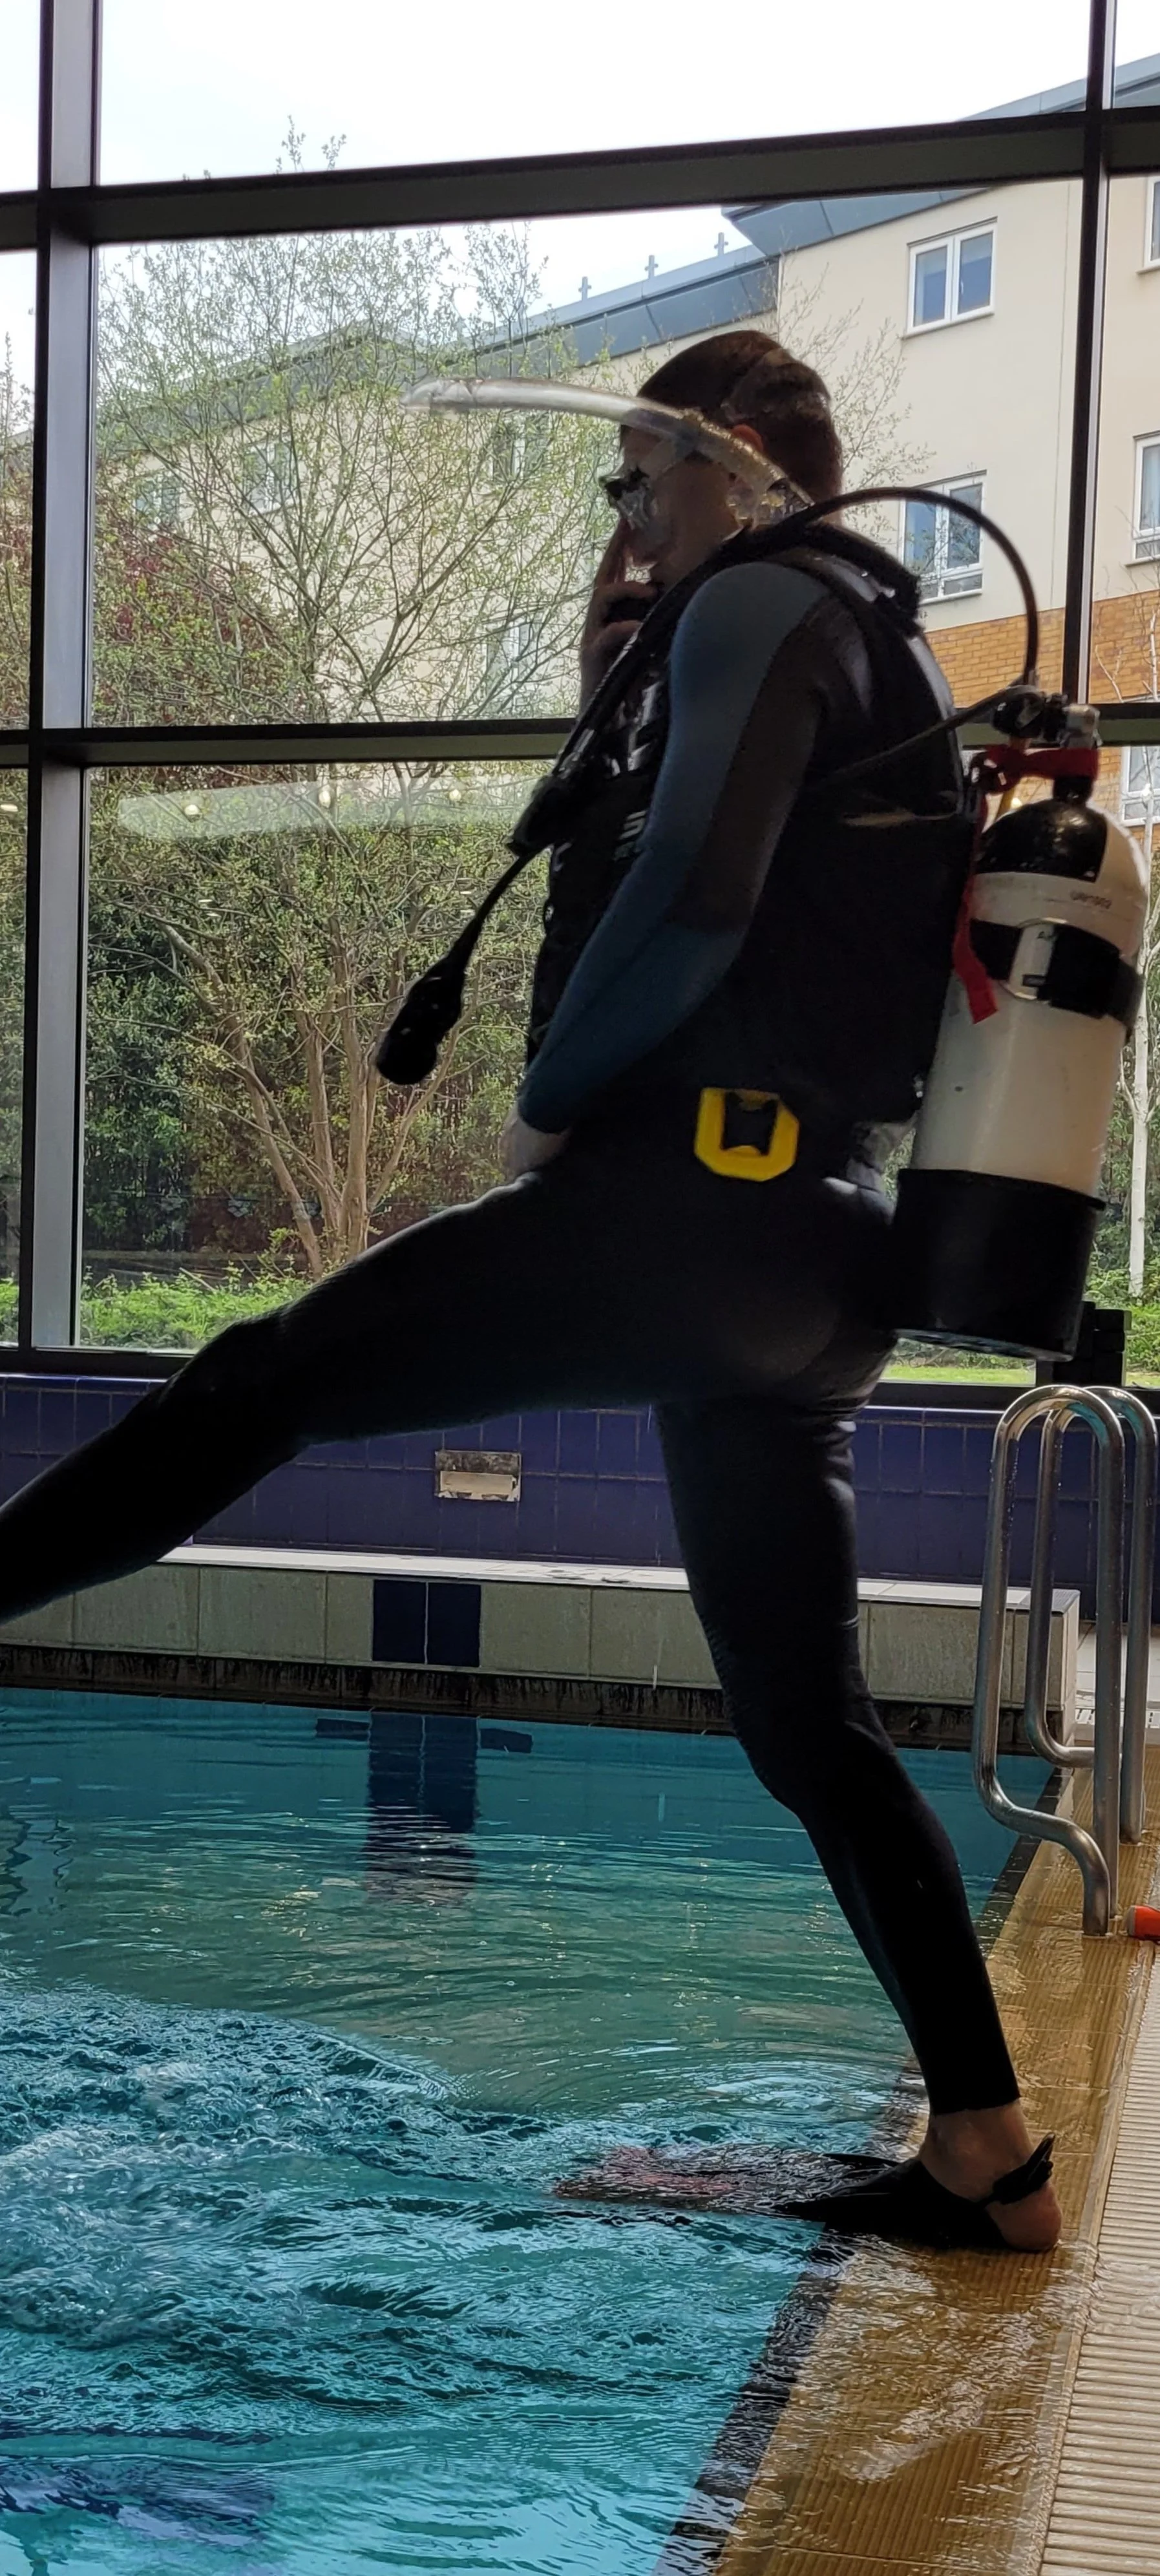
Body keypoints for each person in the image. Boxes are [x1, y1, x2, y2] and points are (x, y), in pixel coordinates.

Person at [0, 330, 1059, 2253]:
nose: (621, 517)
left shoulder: (762, 595)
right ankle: (985, 2158)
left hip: (689, 1209)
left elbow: (700, 899)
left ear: (727, 462)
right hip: (824, 1261)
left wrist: (553, 1102)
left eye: (636, 480)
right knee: (807, 1730)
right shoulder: (879, 640)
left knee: (252, 1386)